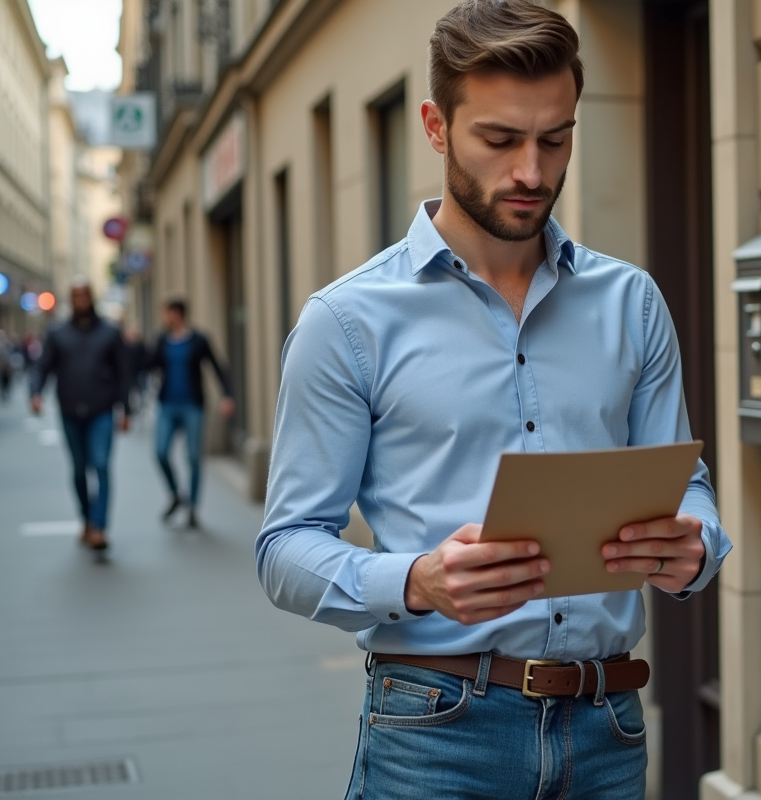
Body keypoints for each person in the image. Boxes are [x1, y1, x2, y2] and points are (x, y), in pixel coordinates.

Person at [255, 2, 731, 797]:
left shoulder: (633, 302)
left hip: (608, 728)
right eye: (501, 140)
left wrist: (694, 548)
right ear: (436, 127)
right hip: (435, 732)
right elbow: (286, 548)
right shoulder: (346, 322)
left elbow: (689, 489)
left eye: (556, 138)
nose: (532, 173)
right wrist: (416, 580)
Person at [28, 280, 131, 552]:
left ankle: (98, 526)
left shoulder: (109, 332)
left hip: (102, 411)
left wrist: (126, 409)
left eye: (84, 294)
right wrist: (35, 393)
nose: (80, 299)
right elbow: (42, 367)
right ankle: (86, 518)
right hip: (71, 411)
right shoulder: (57, 333)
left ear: (92, 297)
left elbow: (124, 374)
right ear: (70, 300)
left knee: (101, 464)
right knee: (78, 470)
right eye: (75, 295)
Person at [147, 298, 234, 528]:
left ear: (178, 314)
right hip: (167, 405)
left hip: (192, 406)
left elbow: (217, 366)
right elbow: (149, 364)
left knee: (194, 457)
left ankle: (193, 507)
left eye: (168, 313)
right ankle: (176, 494)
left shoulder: (198, 340)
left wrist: (227, 395)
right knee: (160, 452)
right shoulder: (162, 340)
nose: (165, 318)